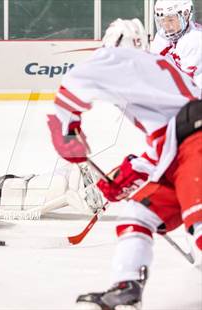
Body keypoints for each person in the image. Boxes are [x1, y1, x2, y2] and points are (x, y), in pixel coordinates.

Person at [47, 18, 202, 309]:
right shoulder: (157, 76)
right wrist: (131, 173)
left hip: (196, 149)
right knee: (137, 213)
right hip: (181, 154)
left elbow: (72, 87)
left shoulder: (121, 57)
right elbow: (167, 145)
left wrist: (67, 134)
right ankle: (126, 287)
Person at [151, 0, 202, 89]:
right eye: (162, 20)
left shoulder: (196, 38)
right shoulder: (160, 38)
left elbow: (185, 82)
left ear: (186, 15)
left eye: (170, 19)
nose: (166, 25)